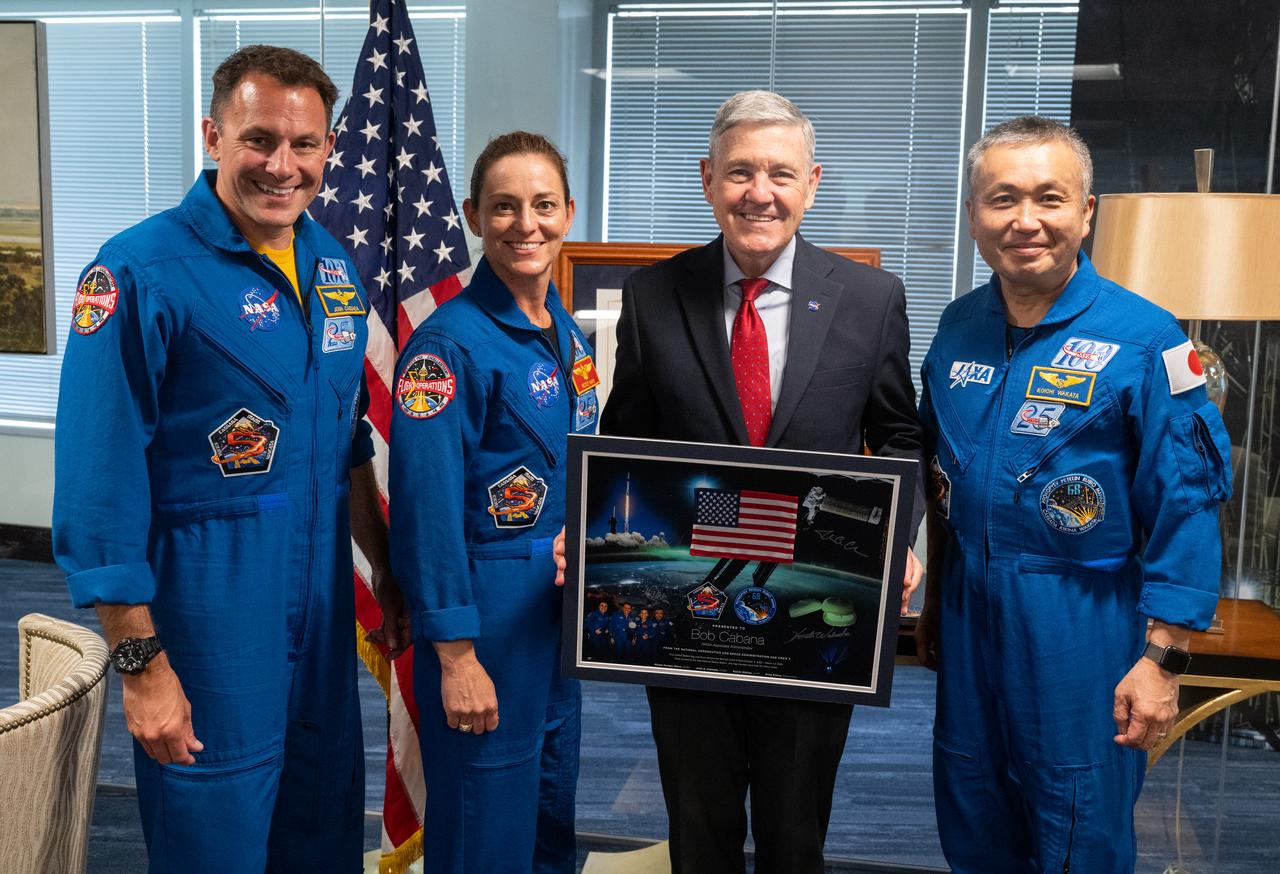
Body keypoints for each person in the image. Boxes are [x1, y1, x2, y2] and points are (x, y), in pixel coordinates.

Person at [52, 46, 372, 872]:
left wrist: (386, 564)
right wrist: (141, 668)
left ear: (329, 149)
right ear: (212, 135)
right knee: (214, 843)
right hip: (211, 619)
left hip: (324, 614)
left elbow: (346, 439)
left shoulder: (336, 269)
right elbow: (97, 496)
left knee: (320, 831)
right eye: (258, 138)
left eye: (304, 145)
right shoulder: (137, 273)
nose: (281, 165)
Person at [600, 90, 926, 874]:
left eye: (780, 173)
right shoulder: (651, 297)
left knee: (793, 832)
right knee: (699, 829)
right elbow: (623, 443)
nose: (760, 192)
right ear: (707, 179)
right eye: (740, 171)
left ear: (811, 183)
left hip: (816, 610)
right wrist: (597, 526)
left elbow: (901, 434)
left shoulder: (871, 298)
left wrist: (898, 538)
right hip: (690, 610)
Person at [915, 116, 1232, 873]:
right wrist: (935, 603)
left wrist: (1165, 657)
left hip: (1081, 625)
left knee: (1077, 824)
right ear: (973, 216)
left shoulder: (1147, 340)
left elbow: (1186, 505)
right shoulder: (956, 330)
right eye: (1002, 199)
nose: (1026, 220)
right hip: (968, 619)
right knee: (972, 803)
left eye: (1049, 198)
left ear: (1086, 211)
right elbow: (939, 482)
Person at [387, 131, 594, 872]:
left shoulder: (563, 332)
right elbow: (426, 510)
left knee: (544, 819)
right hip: (486, 616)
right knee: (484, 831)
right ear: (474, 215)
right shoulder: (449, 348)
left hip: (555, 620)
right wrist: (456, 655)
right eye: (504, 207)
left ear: (568, 211)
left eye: (542, 205)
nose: (525, 224)